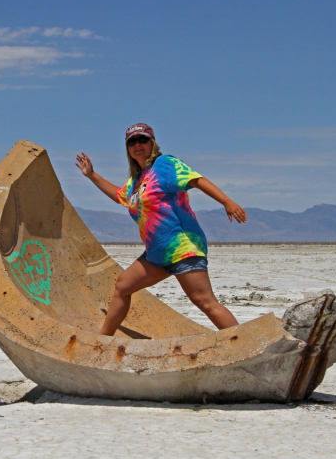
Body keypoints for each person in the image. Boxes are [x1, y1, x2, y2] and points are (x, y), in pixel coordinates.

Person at [75, 123, 248, 336]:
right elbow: (120, 195)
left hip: (182, 247)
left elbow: (197, 180)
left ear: (152, 142)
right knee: (123, 286)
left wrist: (227, 202)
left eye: (143, 140)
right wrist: (92, 175)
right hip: (157, 254)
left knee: (204, 301)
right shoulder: (137, 181)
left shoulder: (164, 165)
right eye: (132, 142)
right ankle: (103, 341)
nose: (138, 145)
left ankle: (244, 343)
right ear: (127, 148)